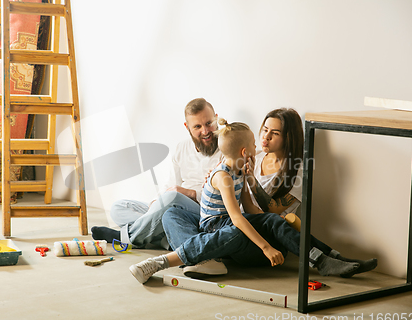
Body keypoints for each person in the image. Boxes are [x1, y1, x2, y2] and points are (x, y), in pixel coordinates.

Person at [130, 119, 377, 284]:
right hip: (218, 226)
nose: (259, 145)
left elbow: (251, 209)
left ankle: (331, 258)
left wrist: (268, 210)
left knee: (271, 221)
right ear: (244, 151)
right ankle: (176, 261)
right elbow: (237, 217)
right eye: (253, 144)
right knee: (176, 214)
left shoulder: (241, 172)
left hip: (227, 224)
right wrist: (266, 246)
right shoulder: (224, 176)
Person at [91, 98, 223, 250]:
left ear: (216, 119)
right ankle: (163, 238)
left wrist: (191, 193)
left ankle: (127, 238)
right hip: (174, 206)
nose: (205, 131)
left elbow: (225, 198)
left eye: (209, 123)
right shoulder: (182, 147)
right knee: (118, 208)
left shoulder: (227, 147)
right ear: (187, 127)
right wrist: (156, 203)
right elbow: (170, 185)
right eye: (198, 126)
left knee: (171, 199)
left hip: (203, 212)